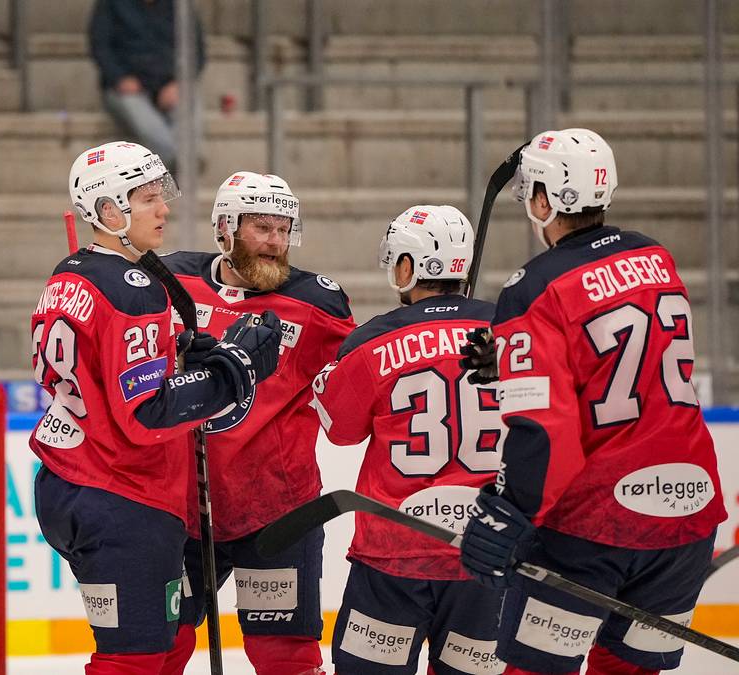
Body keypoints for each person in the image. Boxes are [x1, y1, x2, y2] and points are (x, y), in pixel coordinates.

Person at [459, 128, 727, 675]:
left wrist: (510, 511)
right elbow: (627, 367)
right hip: (687, 516)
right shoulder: (656, 256)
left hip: (594, 529)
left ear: (543, 200)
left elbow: (543, 430)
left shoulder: (534, 286)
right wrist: (512, 362)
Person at [32, 141, 284, 674]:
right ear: (108, 211)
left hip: (69, 481)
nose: (163, 209)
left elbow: (103, 367)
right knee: (136, 659)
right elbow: (148, 412)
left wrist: (186, 350)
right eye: (147, 199)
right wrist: (234, 369)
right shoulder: (134, 287)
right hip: (121, 494)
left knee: (167, 647)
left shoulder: (69, 271)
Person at [157, 172, 356, 675]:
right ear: (225, 228)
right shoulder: (174, 280)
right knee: (161, 648)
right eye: (261, 228)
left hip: (278, 513)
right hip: (183, 508)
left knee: (285, 657)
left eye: (283, 229)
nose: (275, 242)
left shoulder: (318, 303)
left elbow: (357, 380)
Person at [310, 205, 505, 675]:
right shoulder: (512, 332)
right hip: (487, 558)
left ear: (406, 267)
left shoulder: (373, 341)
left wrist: (326, 377)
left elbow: (340, 431)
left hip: (393, 558)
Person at [88, 0, 204, 175]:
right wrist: (120, 78)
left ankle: (180, 161)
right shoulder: (111, 4)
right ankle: (181, 161)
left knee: (189, 102)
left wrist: (178, 82)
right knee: (143, 117)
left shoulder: (179, 6)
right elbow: (100, 46)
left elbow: (197, 51)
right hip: (127, 87)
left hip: (169, 84)